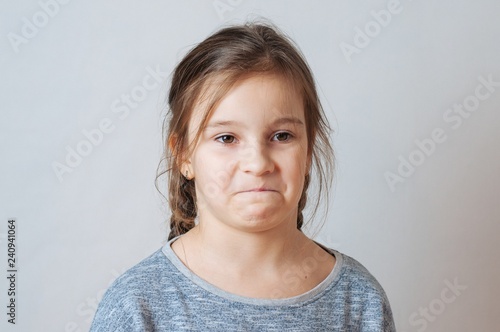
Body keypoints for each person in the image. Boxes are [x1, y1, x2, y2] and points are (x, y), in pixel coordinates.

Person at [90, 22, 395, 331]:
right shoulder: (136, 305)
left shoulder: (359, 302)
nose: (258, 163)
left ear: (308, 149)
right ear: (183, 154)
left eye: (281, 135)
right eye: (226, 138)